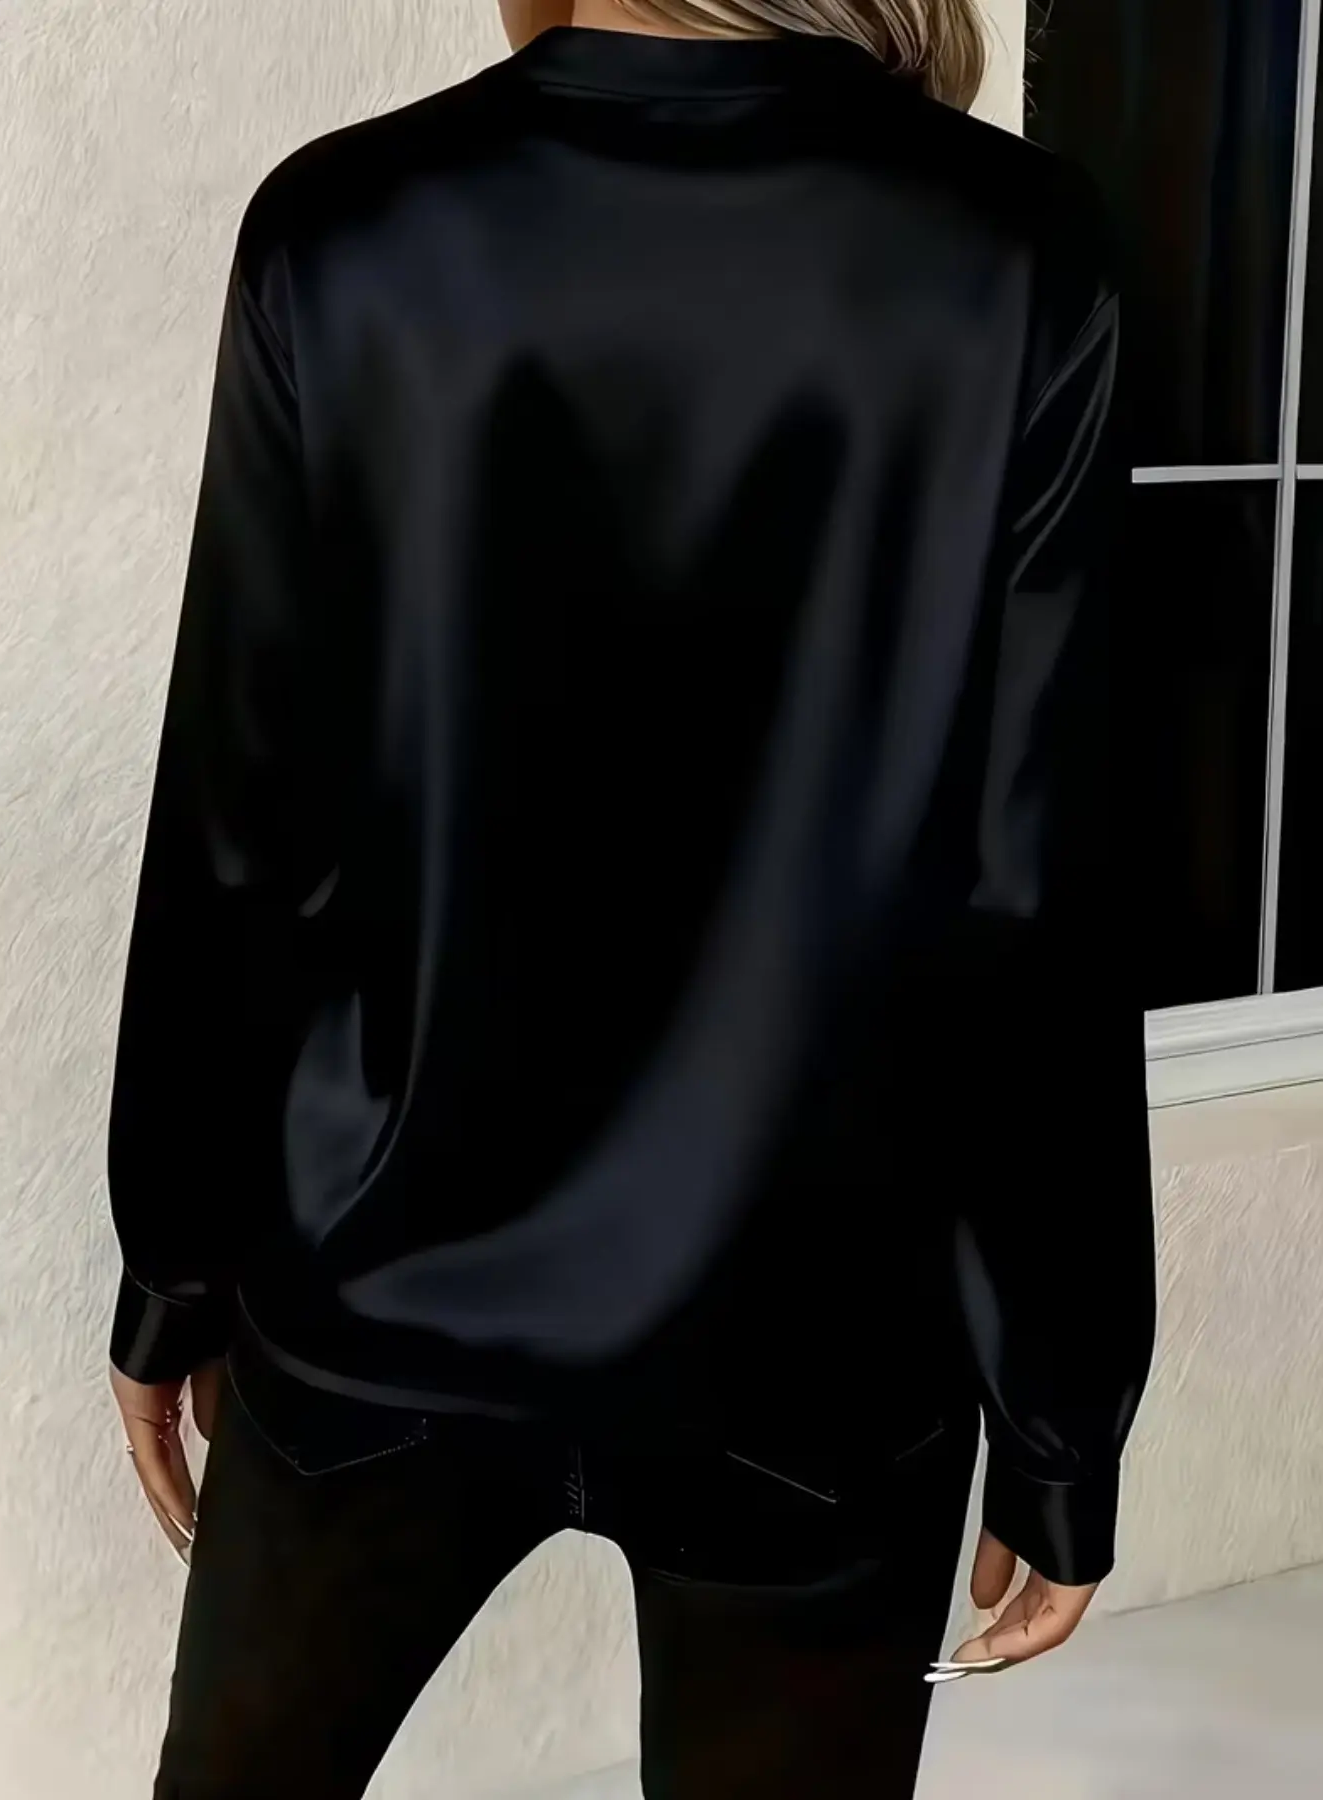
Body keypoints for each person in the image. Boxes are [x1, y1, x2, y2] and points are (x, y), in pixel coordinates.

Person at [105, 2, 1158, 1796]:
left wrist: (173, 1267)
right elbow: (1035, 895)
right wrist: (1056, 1424)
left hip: (377, 1286)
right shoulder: (1017, 251)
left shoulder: (347, 226)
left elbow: (241, 815)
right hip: (813, 1340)